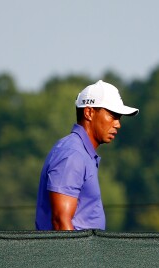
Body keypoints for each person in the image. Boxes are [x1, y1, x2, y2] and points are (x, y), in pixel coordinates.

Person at [35, 80, 138, 231]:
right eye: (113, 115)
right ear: (89, 112)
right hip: (71, 254)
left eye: (119, 117)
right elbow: (60, 221)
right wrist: (77, 256)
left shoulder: (80, 152)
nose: (118, 124)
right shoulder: (72, 154)